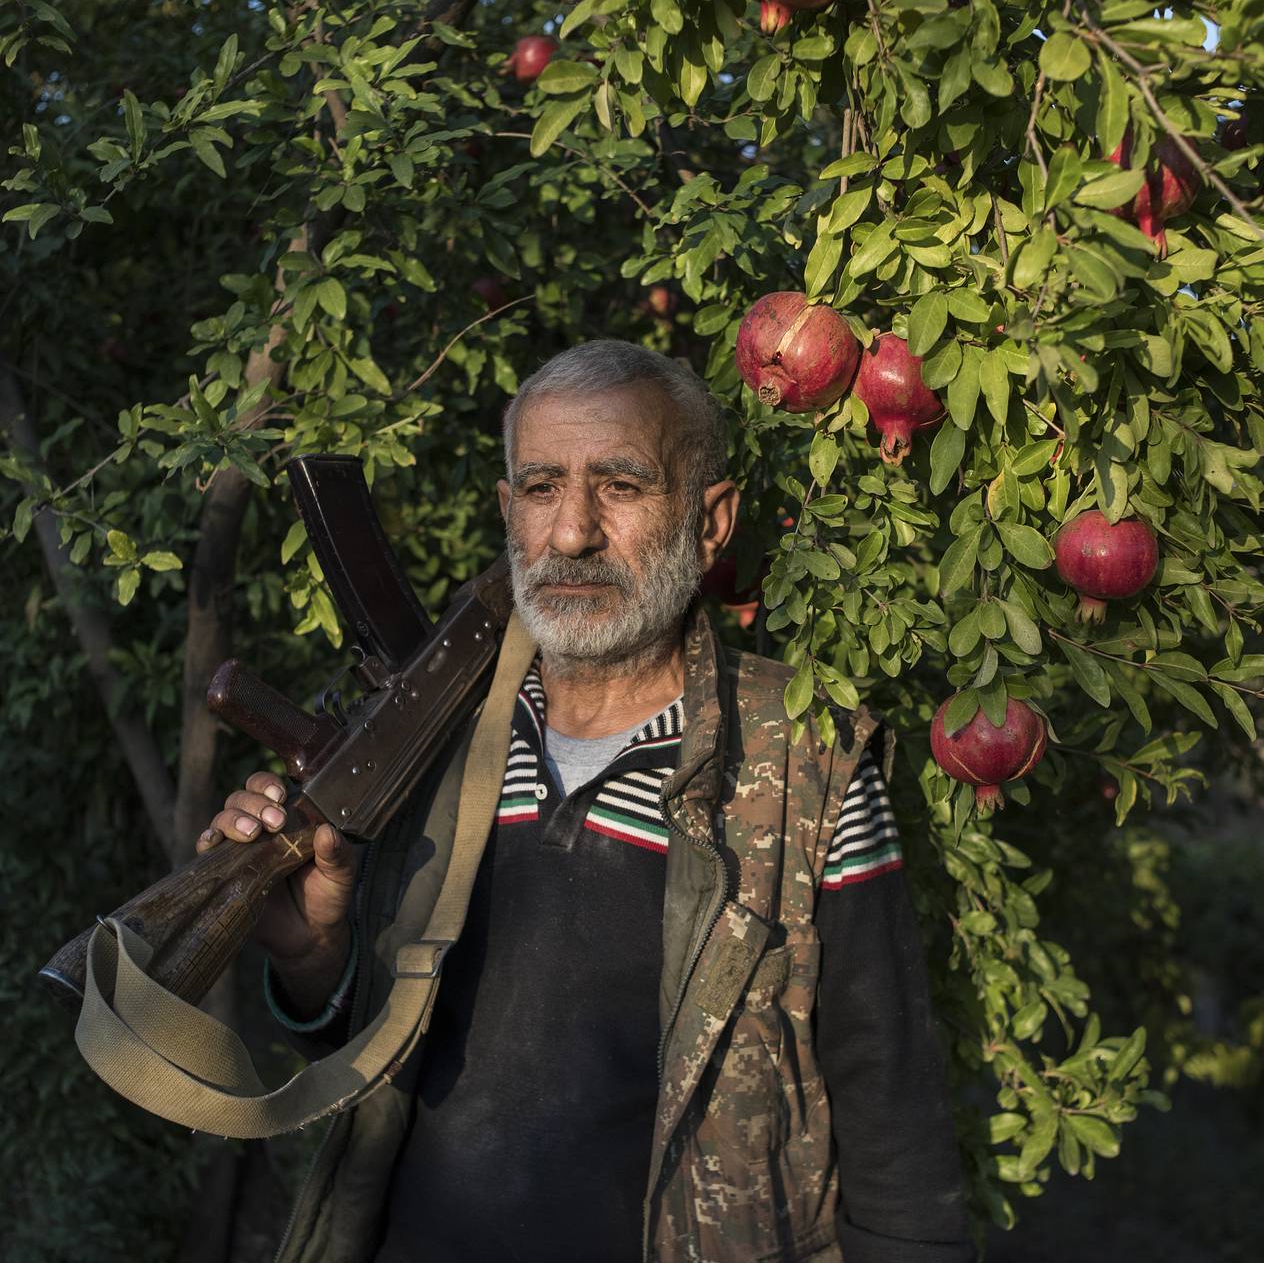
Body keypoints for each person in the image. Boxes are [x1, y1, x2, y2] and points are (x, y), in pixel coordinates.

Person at [198, 341, 973, 1263]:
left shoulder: (808, 763)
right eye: (540, 489)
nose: (571, 533)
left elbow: (896, 1130)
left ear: (711, 521)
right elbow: (371, 1056)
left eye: (621, 487)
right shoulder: (430, 742)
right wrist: (313, 956)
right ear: (507, 512)